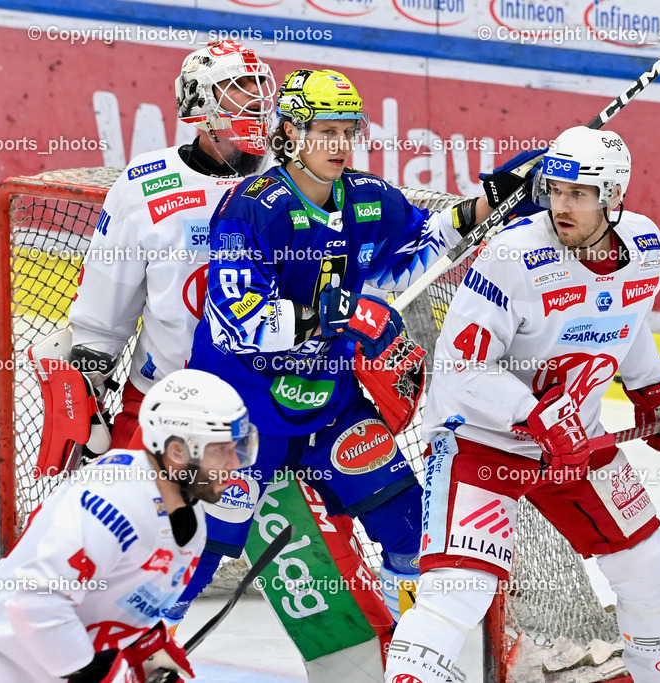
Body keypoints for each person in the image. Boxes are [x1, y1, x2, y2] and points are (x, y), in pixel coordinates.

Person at [177, 68, 527, 677]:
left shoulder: (368, 197)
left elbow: (418, 252)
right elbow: (238, 319)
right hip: (245, 414)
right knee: (213, 547)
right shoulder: (252, 210)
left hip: (330, 405)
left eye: (349, 130)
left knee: (411, 533)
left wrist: (488, 203)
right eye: (326, 131)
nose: (341, 144)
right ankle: (134, 645)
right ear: (289, 132)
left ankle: (407, 659)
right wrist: (322, 313)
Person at [384, 126, 660, 683]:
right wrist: (537, 414)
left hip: (575, 443)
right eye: (554, 190)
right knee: (458, 590)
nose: (561, 204)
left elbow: (625, 323)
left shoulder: (646, 247)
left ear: (613, 196)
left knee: (650, 566)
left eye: (577, 194)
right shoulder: (514, 255)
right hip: (482, 441)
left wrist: (655, 394)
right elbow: (461, 370)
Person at [0, 369, 257, 683]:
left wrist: (149, 653)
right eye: (222, 451)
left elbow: (122, 608)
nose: (235, 464)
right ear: (176, 451)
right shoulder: (112, 499)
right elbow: (36, 601)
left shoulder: (191, 523)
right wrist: (94, 673)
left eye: (239, 448)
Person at [36, 39, 274, 472]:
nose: (257, 98)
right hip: (162, 403)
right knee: (122, 530)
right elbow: (104, 314)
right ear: (202, 101)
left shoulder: (294, 177)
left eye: (260, 84)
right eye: (240, 85)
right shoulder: (147, 183)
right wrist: (86, 400)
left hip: (273, 408)